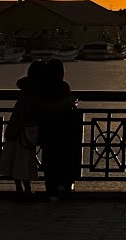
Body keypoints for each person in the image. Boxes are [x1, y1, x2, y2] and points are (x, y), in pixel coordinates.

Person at [0, 62, 44, 199]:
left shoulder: (24, 88)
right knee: (25, 160)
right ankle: (27, 190)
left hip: (15, 128)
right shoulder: (37, 91)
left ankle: (19, 188)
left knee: (14, 159)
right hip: (27, 129)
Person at [38, 58, 79, 199]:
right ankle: (64, 188)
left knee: (49, 161)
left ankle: (51, 190)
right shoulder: (63, 86)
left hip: (47, 130)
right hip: (63, 131)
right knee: (63, 160)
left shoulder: (42, 88)